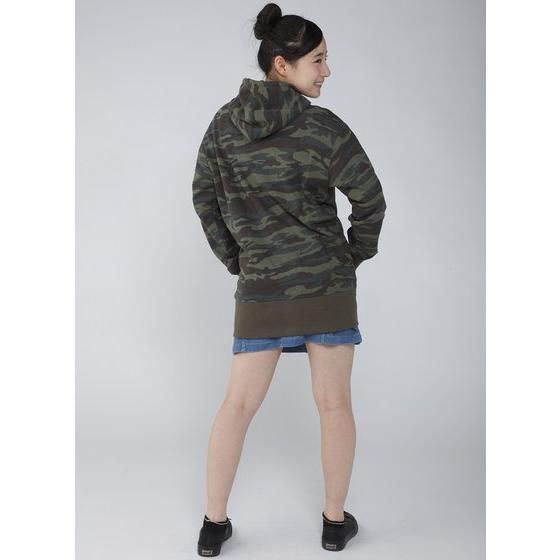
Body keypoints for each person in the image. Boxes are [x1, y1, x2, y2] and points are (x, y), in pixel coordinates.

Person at [193, 3, 386, 555]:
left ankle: (213, 526)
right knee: (334, 404)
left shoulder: (223, 125)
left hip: (262, 288)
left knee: (236, 407)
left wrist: (243, 260)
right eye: (318, 60)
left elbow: (204, 200)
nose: (327, 70)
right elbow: (371, 200)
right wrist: (351, 256)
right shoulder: (322, 127)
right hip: (326, 284)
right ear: (283, 64)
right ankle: (333, 524)